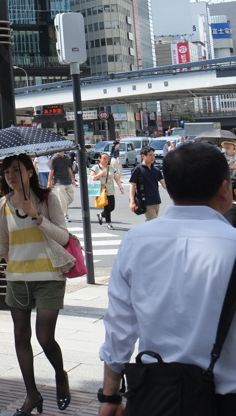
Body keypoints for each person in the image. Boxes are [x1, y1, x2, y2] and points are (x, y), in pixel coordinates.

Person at [96, 143, 236, 414]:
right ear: (224, 188)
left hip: (157, 395)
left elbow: (119, 326)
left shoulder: (135, 241)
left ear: (169, 187)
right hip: (226, 398)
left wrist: (110, 395)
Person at [0, 154, 72, 416]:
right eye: (6, 172)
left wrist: (38, 217)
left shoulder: (48, 199)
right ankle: (31, 394)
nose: (10, 176)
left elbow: (64, 236)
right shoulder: (4, 204)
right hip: (17, 278)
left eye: (16, 170)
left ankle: (60, 375)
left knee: (45, 337)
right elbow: (0, 240)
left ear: (30, 172)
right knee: (20, 337)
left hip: (48, 276)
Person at [129, 146, 166, 220]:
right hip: (146, 202)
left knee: (151, 223)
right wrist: (132, 201)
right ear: (143, 156)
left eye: (153, 155)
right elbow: (132, 186)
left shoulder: (156, 170)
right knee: (153, 222)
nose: (152, 157)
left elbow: (164, 184)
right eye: (150, 155)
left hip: (156, 200)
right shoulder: (138, 169)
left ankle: (143, 231)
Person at [93, 153, 124, 229]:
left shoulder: (111, 168)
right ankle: (109, 223)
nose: (106, 160)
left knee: (112, 207)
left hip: (110, 189)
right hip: (102, 190)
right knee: (107, 207)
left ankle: (101, 215)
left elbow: (116, 179)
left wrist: (121, 187)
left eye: (107, 158)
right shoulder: (96, 168)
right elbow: (92, 178)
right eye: (104, 158)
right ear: (99, 159)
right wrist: (99, 174)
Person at [48, 149, 76, 223]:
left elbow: (69, 168)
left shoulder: (66, 158)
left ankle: (57, 209)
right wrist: (49, 182)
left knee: (70, 198)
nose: (62, 151)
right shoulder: (54, 158)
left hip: (67, 181)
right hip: (59, 182)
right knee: (63, 200)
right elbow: (51, 171)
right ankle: (64, 215)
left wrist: (73, 179)